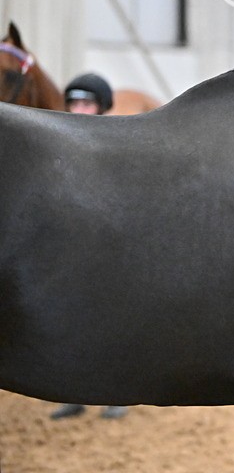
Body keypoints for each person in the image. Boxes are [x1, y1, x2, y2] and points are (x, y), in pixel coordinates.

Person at [51, 72, 126, 420]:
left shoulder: (117, 143)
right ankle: (74, 393)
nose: (78, 110)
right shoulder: (57, 144)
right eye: (73, 103)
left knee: (117, 322)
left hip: (110, 249)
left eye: (86, 103)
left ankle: (120, 393)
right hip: (70, 249)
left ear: (102, 107)